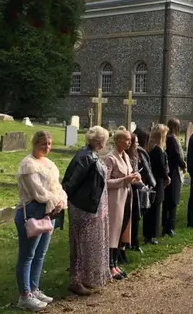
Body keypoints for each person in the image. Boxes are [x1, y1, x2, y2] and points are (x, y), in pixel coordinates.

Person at [14, 131, 67, 311]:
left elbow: (56, 187)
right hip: (33, 210)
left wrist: (61, 201)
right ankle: (24, 295)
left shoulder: (49, 163)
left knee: (40, 253)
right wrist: (55, 200)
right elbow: (38, 192)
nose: (47, 147)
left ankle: (34, 288)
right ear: (35, 143)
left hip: (49, 212)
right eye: (43, 144)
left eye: (50, 144)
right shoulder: (28, 165)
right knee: (27, 254)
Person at [62, 126, 111, 296]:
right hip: (84, 208)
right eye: (105, 138)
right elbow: (72, 183)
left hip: (94, 206)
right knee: (81, 245)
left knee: (90, 244)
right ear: (100, 141)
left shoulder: (92, 154)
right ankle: (76, 280)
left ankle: (88, 278)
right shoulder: (85, 157)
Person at [105, 129, 140, 280]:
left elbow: (129, 174)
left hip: (126, 197)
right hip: (114, 199)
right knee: (113, 230)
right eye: (127, 140)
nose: (130, 142)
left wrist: (135, 177)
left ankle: (115, 262)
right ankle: (109, 265)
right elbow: (105, 182)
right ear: (118, 141)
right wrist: (123, 180)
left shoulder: (126, 156)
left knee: (121, 229)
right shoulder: (110, 158)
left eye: (130, 140)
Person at [144, 124, 170, 244]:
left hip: (152, 179)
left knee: (152, 207)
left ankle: (149, 233)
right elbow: (161, 167)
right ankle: (151, 235)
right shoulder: (158, 150)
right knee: (155, 207)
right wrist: (167, 177)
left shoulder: (151, 147)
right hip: (157, 180)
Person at [163, 119, 187, 236]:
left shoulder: (167, 138)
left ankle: (166, 225)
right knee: (172, 199)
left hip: (170, 171)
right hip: (173, 171)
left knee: (168, 200)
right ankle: (169, 227)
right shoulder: (171, 139)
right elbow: (177, 155)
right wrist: (183, 165)